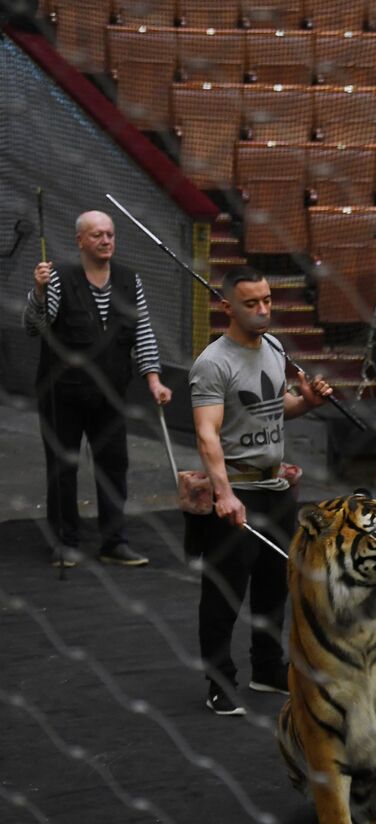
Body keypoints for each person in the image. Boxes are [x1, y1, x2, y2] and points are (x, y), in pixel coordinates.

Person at [188, 266, 332, 716]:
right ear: (228, 306)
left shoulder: (272, 347)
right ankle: (218, 681)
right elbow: (207, 434)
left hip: (276, 487)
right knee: (224, 594)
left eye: (268, 300)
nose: (263, 310)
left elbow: (274, 408)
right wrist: (224, 493)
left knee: (275, 587)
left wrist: (307, 401)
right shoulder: (213, 363)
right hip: (237, 490)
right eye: (252, 303)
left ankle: (267, 669)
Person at [25, 210, 173, 568]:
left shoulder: (128, 280)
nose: (106, 240)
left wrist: (153, 378)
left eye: (109, 234)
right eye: (97, 235)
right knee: (63, 468)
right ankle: (65, 542)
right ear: (80, 241)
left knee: (114, 466)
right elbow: (35, 328)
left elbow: (143, 332)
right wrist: (39, 293)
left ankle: (114, 543)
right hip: (61, 394)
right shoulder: (58, 277)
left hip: (109, 392)